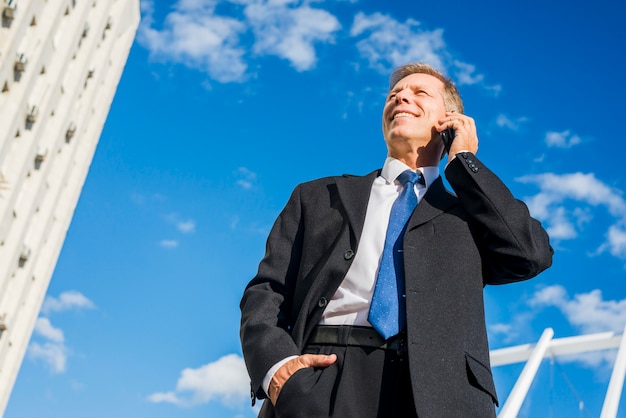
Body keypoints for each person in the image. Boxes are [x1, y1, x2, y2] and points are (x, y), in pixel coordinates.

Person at [240, 62, 553, 417]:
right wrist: (278, 368)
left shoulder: (471, 217)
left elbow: (531, 255)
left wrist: (464, 161)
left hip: (443, 397)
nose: (401, 96)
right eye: (394, 95)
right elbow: (266, 291)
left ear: (450, 119)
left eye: (420, 93)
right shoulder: (318, 196)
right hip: (322, 381)